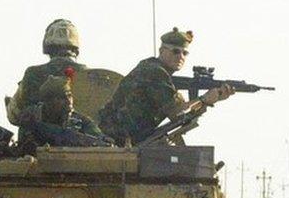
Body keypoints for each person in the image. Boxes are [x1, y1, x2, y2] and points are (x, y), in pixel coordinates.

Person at [98, 28, 235, 145]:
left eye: (185, 53)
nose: (181, 56)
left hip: (124, 137)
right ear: (162, 51)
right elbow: (178, 114)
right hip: (119, 137)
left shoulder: (153, 69)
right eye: (175, 51)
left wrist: (211, 99)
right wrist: (204, 99)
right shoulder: (155, 72)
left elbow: (183, 113)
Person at [6, 19, 88, 139]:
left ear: (47, 47)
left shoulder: (33, 74)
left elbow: (14, 116)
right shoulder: (91, 77)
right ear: (76, 49)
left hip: (34, 151)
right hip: (87, 152)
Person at [14, 74, 113, 154]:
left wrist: (103, 140)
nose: (68, 100)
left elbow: (98, 138)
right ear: (48, 101)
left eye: (69, 95)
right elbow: (25, 148)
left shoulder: (81, 121)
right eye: (61, 98)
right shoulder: (31, 119)